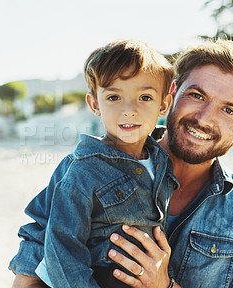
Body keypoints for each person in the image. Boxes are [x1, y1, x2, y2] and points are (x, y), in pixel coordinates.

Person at [10, 39, 233, 288]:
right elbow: (31, 275)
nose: (205, 119)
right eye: (197, 96)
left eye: (229, 110)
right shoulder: (82, 169)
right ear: (171, 96)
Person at [9, 39, 177, 287]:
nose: (129, 110)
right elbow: (62, 249)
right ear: (94, 104)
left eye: (144, 97)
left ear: (163, 104)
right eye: (113, 97)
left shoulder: (162, 161)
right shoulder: (84, 170)